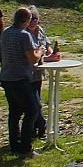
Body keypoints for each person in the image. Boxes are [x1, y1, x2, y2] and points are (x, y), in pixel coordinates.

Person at [0, 7, 45, 156]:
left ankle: (15, 145)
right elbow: (32, 58)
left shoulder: (6, 32)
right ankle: (25, 147)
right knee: (32, 110)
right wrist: (40, 51)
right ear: (25, 20)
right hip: (20, 78)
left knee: (15, 112)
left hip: (6, 77)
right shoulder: (23, 35)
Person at [27, 8, 52, 138]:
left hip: (39, 72)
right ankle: (41, 127)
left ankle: (36, 128)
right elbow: (32, 55)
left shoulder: (40, 30)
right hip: (28, 72)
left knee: (37, 98)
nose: (32, 22)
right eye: (30, 19)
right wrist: (44, 55)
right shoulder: (24, 33)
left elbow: (47, 44)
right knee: (34, 103)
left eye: (35, 19)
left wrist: (50, 51)